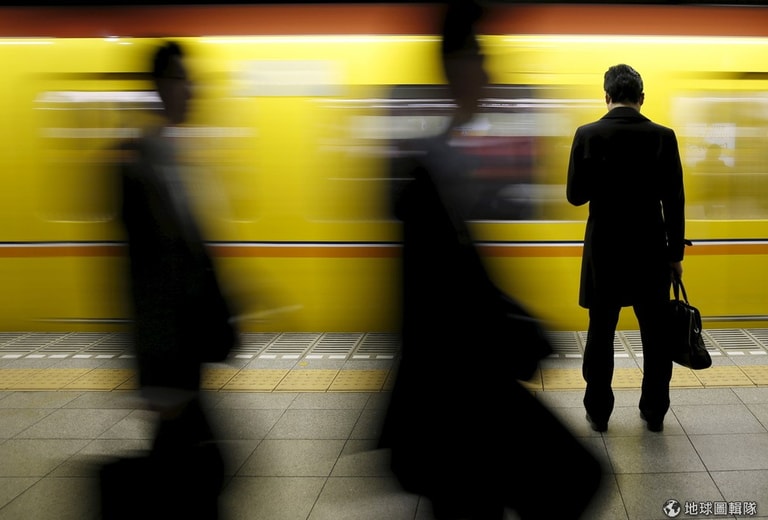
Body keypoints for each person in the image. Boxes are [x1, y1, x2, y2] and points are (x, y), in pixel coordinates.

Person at [378, 2, 603, 519]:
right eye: (479, 57)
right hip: (454, 408)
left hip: (456, 406)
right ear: (453, 65)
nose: (489, 72)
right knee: (571, 482)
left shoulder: (441, 160)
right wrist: (519, 336)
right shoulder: (426, 174)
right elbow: (441, 303)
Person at [100, 40, 236, 519]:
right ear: (159, 86)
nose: (191, 90)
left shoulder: (176, 156)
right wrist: (156, 375)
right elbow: (144, 274)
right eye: (181, 79)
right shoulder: (135, 163)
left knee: (193, 472)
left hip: (189, 353)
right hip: (169, 358)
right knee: (197, 474)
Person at [566, 63, 686, 433]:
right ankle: (654, 411)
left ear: (606, 96)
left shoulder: (587, 135)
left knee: (601, 332)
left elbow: (575, 196)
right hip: (650, 250)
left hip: (604, 250)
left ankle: (599, 412)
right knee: (655, 336)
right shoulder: (663, 136)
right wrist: (675, 256)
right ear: (642, 98)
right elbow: (675, 201)